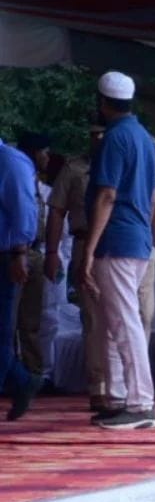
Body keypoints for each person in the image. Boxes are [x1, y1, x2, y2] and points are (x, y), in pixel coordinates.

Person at [81, 71, 155, 430]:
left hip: (117, 239)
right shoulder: (142, 136)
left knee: (124, 322)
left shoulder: (115, 138)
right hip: (136, 237)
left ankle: (141, 403)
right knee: (117, 321)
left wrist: (88, 249)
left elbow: (107, 195)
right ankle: (118, 398)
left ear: (102, 102)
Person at [2, 134, 43, 420]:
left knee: (2, 331)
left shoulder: (10, 161)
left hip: (4, 256)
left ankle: (22, 380)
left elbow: (24, 211)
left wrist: (19, 253)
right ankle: (22, 380)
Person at [14, 133, 51, 378]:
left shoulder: (35, 180)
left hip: (35, 251)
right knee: (9, 319)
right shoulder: (16, 176)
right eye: (45, 152)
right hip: (15, 252)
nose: (48, 157)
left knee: (31, 320)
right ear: (35, 153)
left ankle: (32, 374)